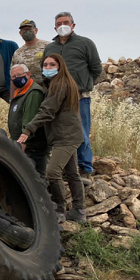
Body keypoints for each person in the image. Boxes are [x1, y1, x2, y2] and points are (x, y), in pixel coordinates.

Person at [18, 54, 85, 223]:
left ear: (60, 66)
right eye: (45, 65)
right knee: (71, 174)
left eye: (52, 64)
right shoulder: (58, 84)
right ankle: (79, 210)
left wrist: (28, 130)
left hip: (66, 137)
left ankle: (60, 209)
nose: (48, 68)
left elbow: (47, 111)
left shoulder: (59, 85)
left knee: (52, 173)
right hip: (67, 134)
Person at [43, 12, 102, 184]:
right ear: (55, 27)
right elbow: (47, 69)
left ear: (73, 25)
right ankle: (65, 169)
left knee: (81, 132)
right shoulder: (50, 47)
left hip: (78, 97)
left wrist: (83, 85)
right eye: (59, 23)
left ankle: (85, 169)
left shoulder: (85, 43)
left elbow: (96, 69)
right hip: (56, 98)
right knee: (61, 133)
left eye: (66, 22)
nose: (63, 26)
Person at [7, 64, 48, 176]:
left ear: (28, 74)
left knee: (36, 177)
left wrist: (22, 146)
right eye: (13, 77)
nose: (16, 79)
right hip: (21, 143)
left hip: (31, 146)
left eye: (19, 75)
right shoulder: (19, 92)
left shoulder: (33, 93)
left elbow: (29, 120)